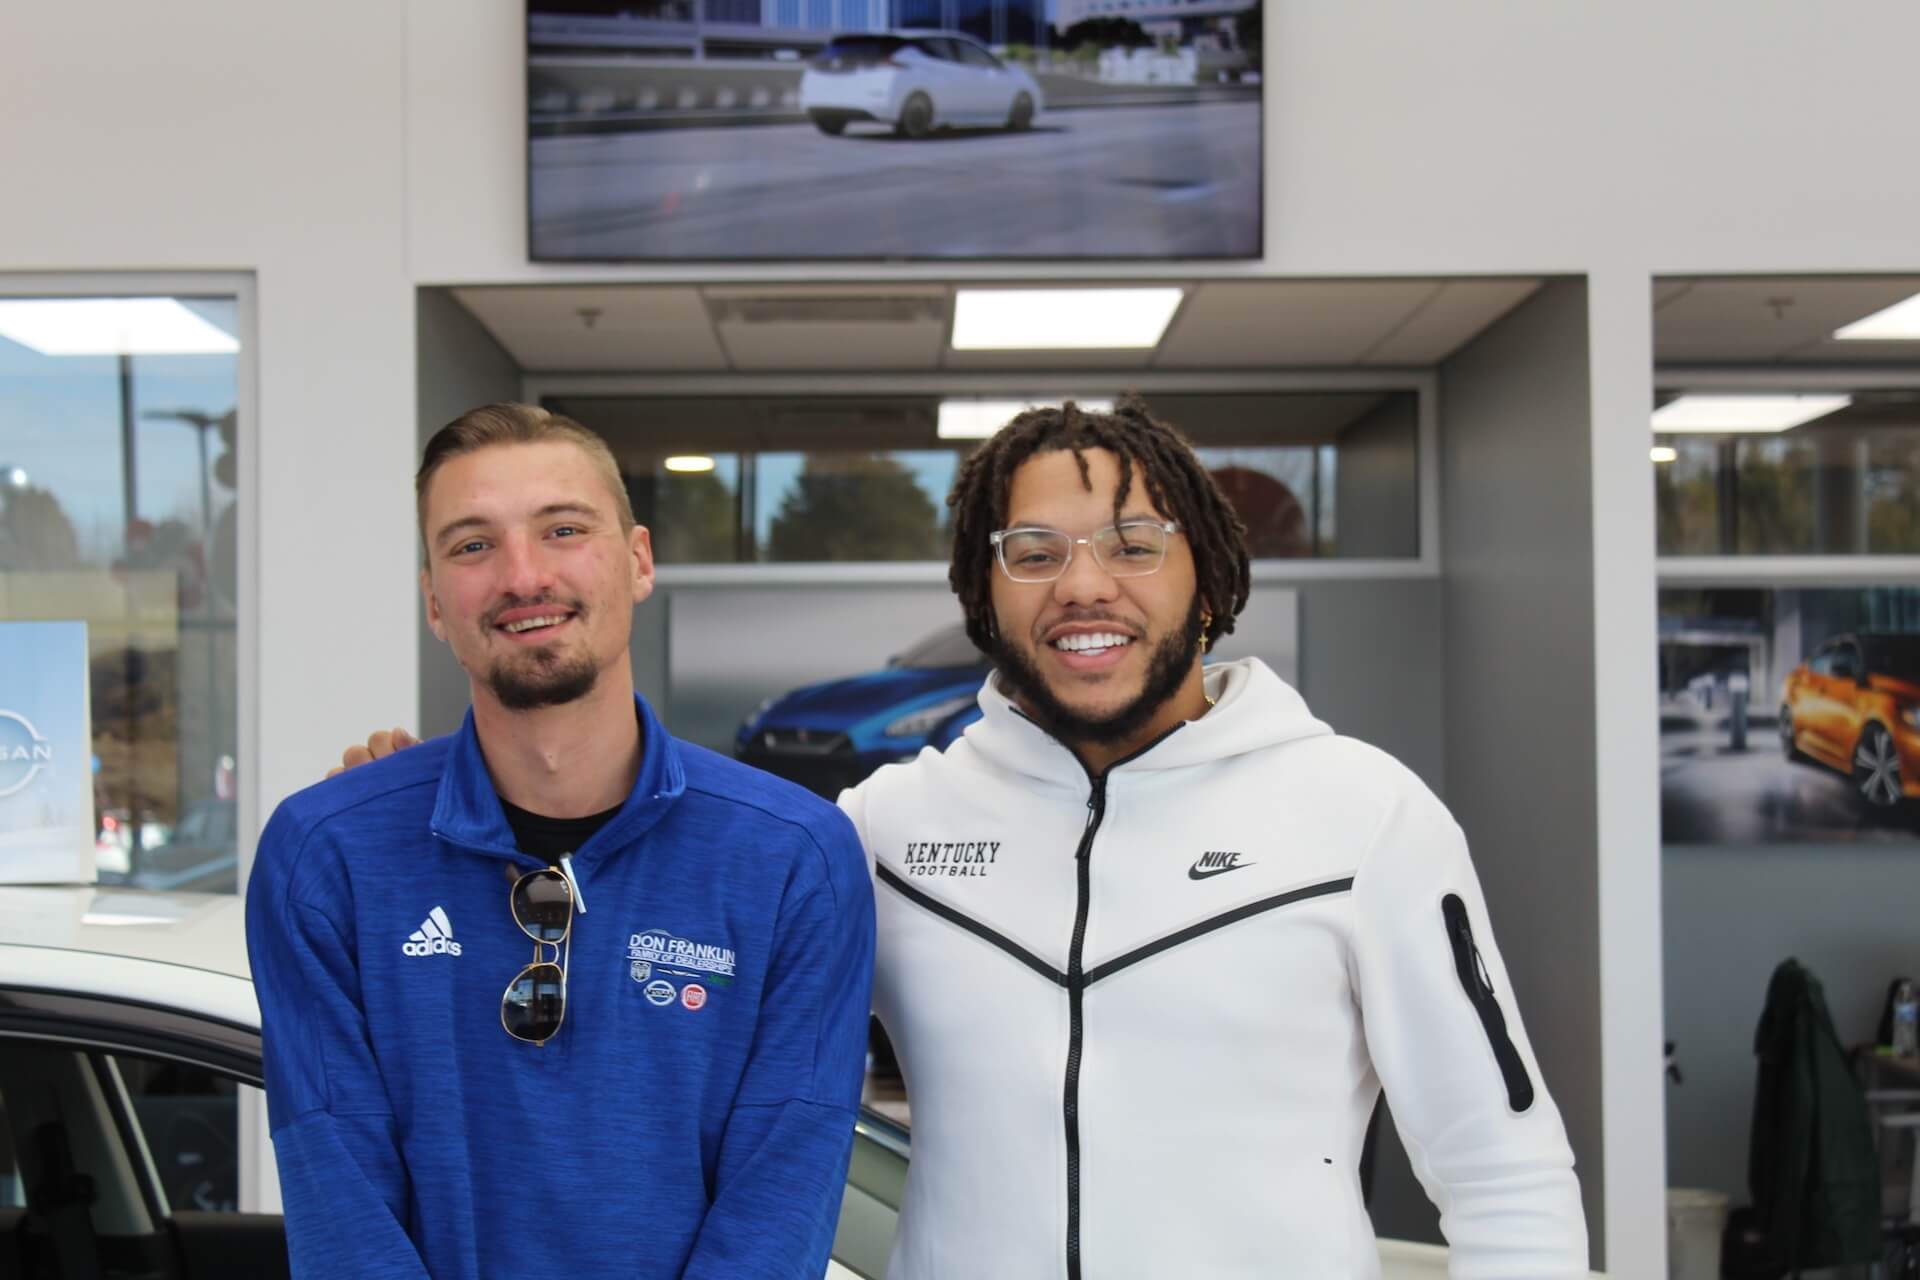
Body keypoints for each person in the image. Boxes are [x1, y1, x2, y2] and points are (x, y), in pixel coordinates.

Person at [337, 397, 1588, 1277]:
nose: (1083, 583)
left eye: (1133, 544)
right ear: (985, 597)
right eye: (1032, 551)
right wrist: (442, 812)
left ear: (1208, 579)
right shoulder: (881, 828)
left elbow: (1504, 1172)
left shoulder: (1364, 816)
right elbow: (642, 941)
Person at [249, 403, 874, 1279]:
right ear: (434, 601)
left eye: (564, 529)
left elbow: (783, 1193)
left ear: (639, 560)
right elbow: (340, 1201)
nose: (523, 575)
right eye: (473, 545)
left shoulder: (794, 858)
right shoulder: (328, 857)